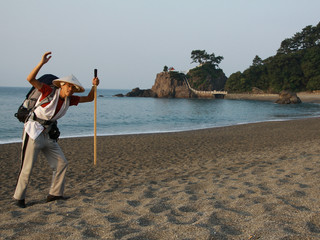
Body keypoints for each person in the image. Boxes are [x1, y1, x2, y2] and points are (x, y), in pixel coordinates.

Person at [13, 51, 99, 208]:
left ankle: (55, 194)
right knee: (27, 167)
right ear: (63, 85)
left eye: (74, 88)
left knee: (61, 163)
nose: (71, 90)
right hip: (33, 131)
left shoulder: (69, 99)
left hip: (48, 134)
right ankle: (19, 198)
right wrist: (41, 63)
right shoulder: (48, 91)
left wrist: (94, 85)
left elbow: (90, 98)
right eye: (70, 87)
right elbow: (30, 79)